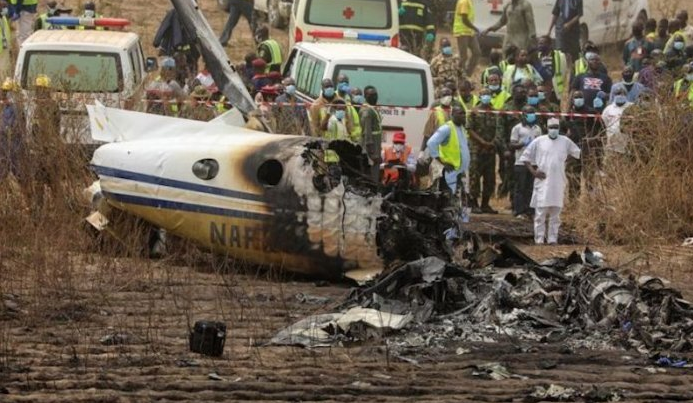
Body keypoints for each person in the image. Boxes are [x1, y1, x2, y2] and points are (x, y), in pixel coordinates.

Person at [520, 118, 580, 245]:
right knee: (540, 212)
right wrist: (534, 172)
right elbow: (525, 157)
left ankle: (553, 239)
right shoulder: (539, 141)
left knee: (556, 213)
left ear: (559, 128)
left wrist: (564, 162)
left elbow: (576, 153)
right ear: (547, 128)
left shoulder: (565, 141)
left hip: (558, 181)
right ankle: (539, 239)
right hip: (543, 181)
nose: (554, 130)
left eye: (556, 127)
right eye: (551, 127)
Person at [467, 88, 499, 214]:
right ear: (479, 97)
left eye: (488, 95)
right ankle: (473, 203)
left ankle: (485, 204)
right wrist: (482, 142)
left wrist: (492, 143)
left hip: (490, 150)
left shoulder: (494, 112)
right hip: (476, 150)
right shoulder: (474, 111)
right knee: (475, 177)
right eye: (483, 95)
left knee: (490, 178)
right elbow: (469, 129)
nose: (486, 96)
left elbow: (499, 129)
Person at [427, 106, 471, 197]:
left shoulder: (462, 128)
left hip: (461, 171)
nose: (463, 116)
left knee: (459, 198)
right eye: (460, 113)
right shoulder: (446, 128)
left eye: (464, 113)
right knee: (449, 196)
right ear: (452, 115)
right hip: (451, 171)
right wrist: (442, 161)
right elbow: (431, 143)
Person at [565, 90, 602, 195]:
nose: (578, 99)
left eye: (580, 97)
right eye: (576, 97)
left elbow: (600, 128)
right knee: (573, 175)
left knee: (590, 176)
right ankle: (574, 201)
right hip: (573, 148)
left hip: (588, 148)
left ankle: (591, 201)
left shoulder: (591, 112)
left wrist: (593, 137)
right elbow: (563, 128)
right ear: (572, 100)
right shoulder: (569, 113)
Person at [509, 105, 542, 218]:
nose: (532, 115)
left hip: (534, 162)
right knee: (520, 187)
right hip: (520, 162)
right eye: (529, 113)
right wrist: (522, 143)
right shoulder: (517, 128)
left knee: (531, 188)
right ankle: (519, 210)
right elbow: (512, 145)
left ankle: (530, 210)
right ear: (523, 115)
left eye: (533, 113)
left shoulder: (537, 128)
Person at [497, 84, 527, 200]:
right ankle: (513, 200)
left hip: (526, 148)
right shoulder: (506, 109)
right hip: (511, 149)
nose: (522, 95)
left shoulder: (529, 109)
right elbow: (500, 131)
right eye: (520, 92)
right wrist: (504, 149)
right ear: (513, 94)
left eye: (524, 92)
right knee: (512, 176)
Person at [534, 35, 568, 103]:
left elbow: (565, 71)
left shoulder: (559, 55)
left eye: (542, 43)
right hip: (541, 90)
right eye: (538, 43)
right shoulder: (537, 56)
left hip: (555, 91)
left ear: (549, 44)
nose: (539, 45)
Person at [602, 87, 633, 161]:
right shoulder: (608, 109)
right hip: (611, 143)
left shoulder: (631, 107)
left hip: (626, 143)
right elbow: (604, 122)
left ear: (626, 96)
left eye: (622, 94)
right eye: (618, 94)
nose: (620, 96)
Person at [360, 86, 383, 182]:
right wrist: (372, 153)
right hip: (371, 148)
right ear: (365, 96)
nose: (374, 97)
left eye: (375, 95)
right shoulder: (367, 111)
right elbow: (367, 133)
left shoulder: (372, 108)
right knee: (372, 173)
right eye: (371, 95)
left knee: (376, 171)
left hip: (376, 145)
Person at [453, 0, 480, 76]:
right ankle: (459, 75)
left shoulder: (470, 2)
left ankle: (467, 74)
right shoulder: (464, 2)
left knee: (477, 52)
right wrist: (475, 28)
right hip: (462, 31)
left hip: (469, 32)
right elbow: (464, 19)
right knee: (463, 56)